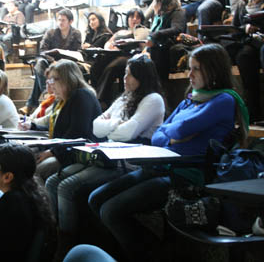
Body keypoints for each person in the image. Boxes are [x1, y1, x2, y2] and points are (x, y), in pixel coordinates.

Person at [88, 44, 249, 261]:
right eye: (189, 68)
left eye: (196, 69)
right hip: (161, 166)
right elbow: (159, 135)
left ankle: (156, 255)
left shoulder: (224, 100)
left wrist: (175, 133)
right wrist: (175, 135)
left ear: (214, 70)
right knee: (95, 199)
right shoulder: (190, 100)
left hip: (187, 175)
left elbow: (179, 129)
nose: (189, 75)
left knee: (111, 210)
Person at [45, 54, 165, 259]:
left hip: (129, 164)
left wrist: (112, 125)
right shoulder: (124, 98)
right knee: (52, 181)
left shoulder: (153, 99)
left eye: (130, 75)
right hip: (107, 158)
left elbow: (126, 133)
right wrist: (116, 125)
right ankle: (55, 232)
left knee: (66, 186)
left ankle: (68, 241)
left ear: (142, 77)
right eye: (125, 74)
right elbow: (96, 126)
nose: (124, 79)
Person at [24, 59, 103, 182]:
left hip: (78, 152)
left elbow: (77, 132)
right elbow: (57, 129)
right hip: (63, 149)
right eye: (49, 80)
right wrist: (33, 126)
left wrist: (52, 152)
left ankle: (39, 201)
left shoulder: (82, 96)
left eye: (53, 79)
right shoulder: (61, 100)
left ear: (67, 78)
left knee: (39, 169)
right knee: (22, 156)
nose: (50, 84)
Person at [19, 8, 82, 116]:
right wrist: (53, 61)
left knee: (39, 75)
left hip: (67, 63)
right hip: (50, 62)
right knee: (39, 64)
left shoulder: (76, 33)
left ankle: (31, 104)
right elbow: (43, 50)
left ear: (70, 21)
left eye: (63, 20)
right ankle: (47, 93)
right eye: (59, 20)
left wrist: (61, 62)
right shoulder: (51, 32)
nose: (60, 22)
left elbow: (76, 51)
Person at [94, 8, 149, 108]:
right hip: (115, 54)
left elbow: (144, 46)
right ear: (128, 18)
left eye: (138, 17)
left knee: (115, 65)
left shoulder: (142, 31)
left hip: (131, 56)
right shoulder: (121, 32)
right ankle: (97, 97)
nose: (134, 19)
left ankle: (100, 99)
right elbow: (108, 43)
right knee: (97, 63)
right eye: (132, 17)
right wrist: (110, 46)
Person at [226, 0, 263, 122]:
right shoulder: (243, 4)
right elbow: (234, 29)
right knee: (243, 57)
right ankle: (253, 111)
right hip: (252, 42)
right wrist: (246, 28)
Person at [145, 0, 186, 82]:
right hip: (158, 45)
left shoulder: (177, 12)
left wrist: (156, 34)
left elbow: (177, 29)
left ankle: (160, 85)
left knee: (159, 52)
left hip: (171, 45)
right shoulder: (160, 16)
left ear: (161, 4)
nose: (153, 6)